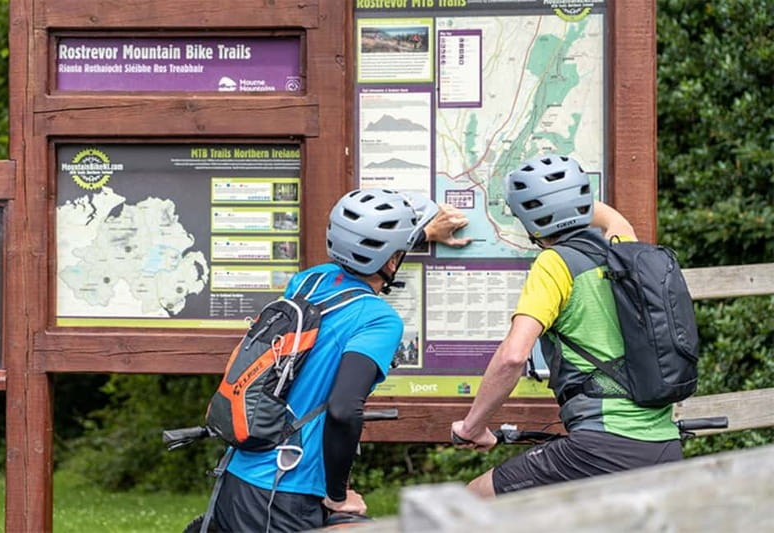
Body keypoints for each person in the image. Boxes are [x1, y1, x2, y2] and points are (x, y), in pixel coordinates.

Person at [214, 188, 470, 532]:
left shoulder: (308, 281)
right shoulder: (378, 319)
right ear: (392, 260)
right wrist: (337, 495)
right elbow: (344, 409)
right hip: (285, 492)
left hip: (239, 472)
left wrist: (419, 235)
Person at [451, 154, 682, 497]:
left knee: (472, 500)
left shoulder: (554, 264)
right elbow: (611, 218)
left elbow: (513, 356)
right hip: (664, 443)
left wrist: (473, 427)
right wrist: (571, 199)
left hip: (604, 444)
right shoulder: (624, 250)